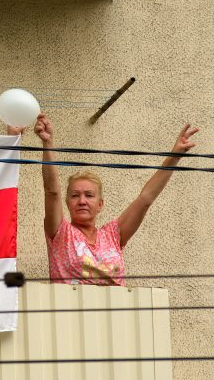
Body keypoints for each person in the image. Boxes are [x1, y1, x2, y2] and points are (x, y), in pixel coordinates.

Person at [32, 113, 198, 286]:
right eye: (75, 196)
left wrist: (175, 157)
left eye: (89, 195)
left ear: (100, 204)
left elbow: (145, 199)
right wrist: (47, 143)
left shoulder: (112, 235)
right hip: (71, 312)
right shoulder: (61, 233)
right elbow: (52, 192)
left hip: (117, 312)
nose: (82, 201)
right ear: (67, 203)